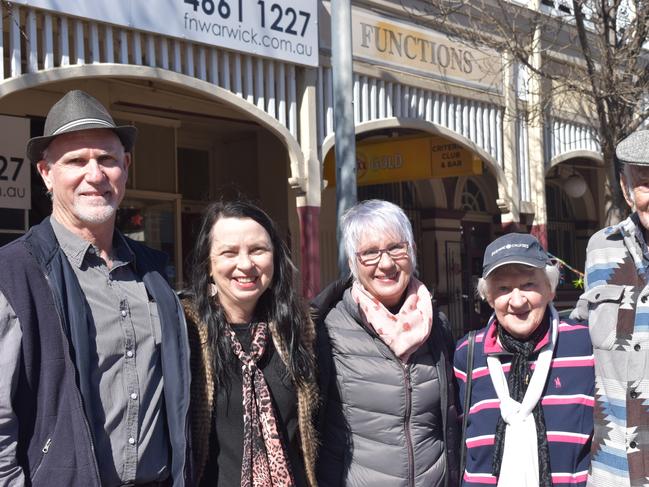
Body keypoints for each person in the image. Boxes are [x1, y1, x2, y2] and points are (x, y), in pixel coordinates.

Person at [0, 90, 190, 486]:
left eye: (106, 159)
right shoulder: (14, 274)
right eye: (75, 161)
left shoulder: (154, 272)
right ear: (45, 173)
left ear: (127, 165)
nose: (95, 174)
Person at [313, 199, 460, 487]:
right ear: (353, 262)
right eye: (369, 253)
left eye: (396, 247)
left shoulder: (437, 327)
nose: (386, 263)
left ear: (412, 251)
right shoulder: (327, 329)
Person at [181, 201, 319, 487]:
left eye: (258, 250)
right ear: (208, 264)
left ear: (275, 258)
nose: (245, 264)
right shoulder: (186, 330)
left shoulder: (299, 327)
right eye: (229, 252)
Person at [454, 233, 594, 487]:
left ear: (550, 290)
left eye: (529, 285)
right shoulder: (467, 354)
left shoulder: (585, 345)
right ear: (488, 297)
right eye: (503, 288)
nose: (517, 301)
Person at [570, 130, 649, 486]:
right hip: (613, 471)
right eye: (646, 183)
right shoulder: (601, 249)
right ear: (625, 187)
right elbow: (579, 340)